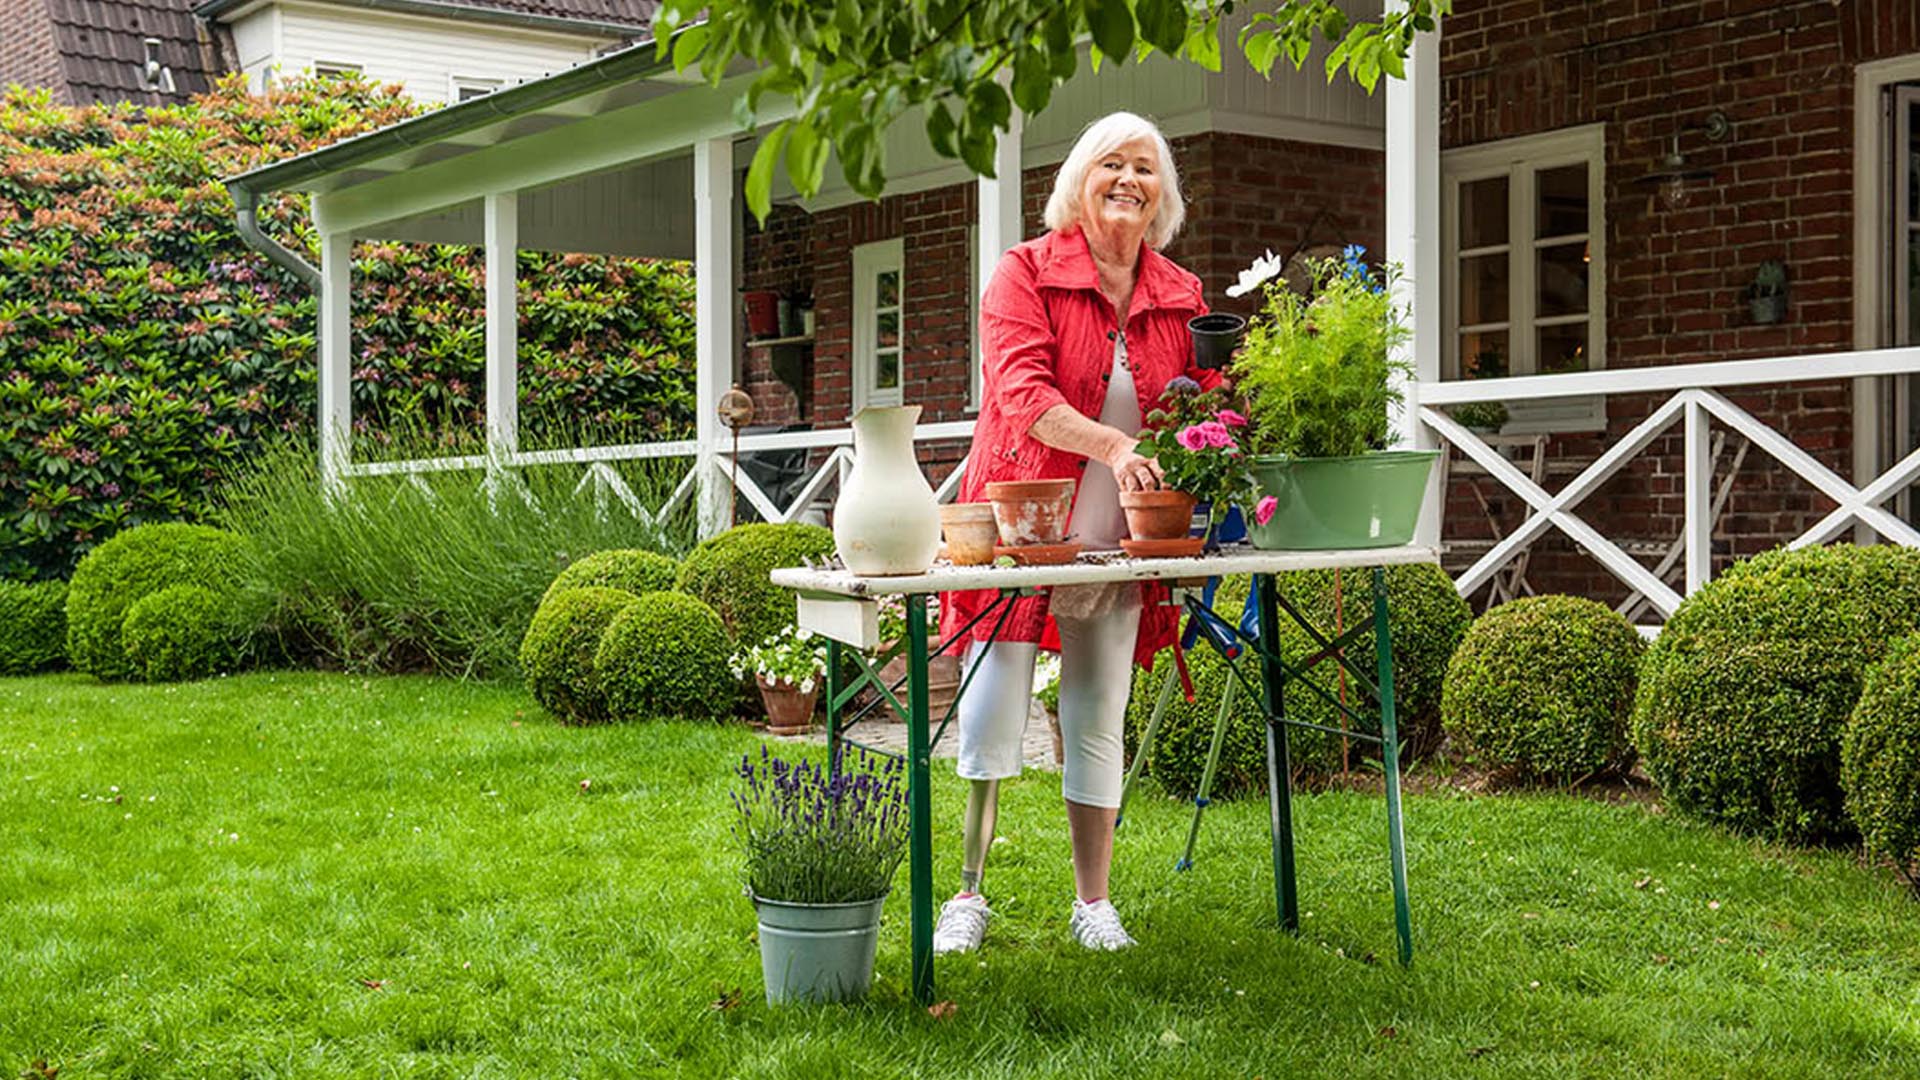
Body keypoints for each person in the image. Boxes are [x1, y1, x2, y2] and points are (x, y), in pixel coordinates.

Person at [935, 111, 1217, 954]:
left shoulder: (1180, 292)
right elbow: (1020, 396)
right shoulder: (1023, 273)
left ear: (1162, 193)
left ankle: (1092, 903)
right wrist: (1116, 444)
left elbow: (1208, 401)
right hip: (1022, 525)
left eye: (1146, 168)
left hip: (1127, 536)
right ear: (1077, 181)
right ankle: (969, 895)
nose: (1129, 180)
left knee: (1100, 712)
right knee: (991, 710)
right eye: (1111, 165)